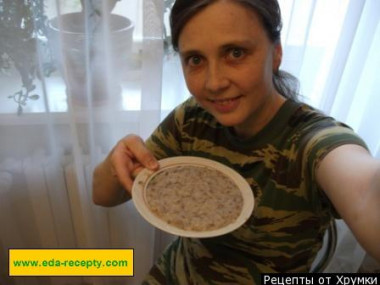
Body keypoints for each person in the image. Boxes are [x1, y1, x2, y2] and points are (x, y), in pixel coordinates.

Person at [93, 0, 380, 283]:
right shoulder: (193, 119)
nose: (214, 83)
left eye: (235, 52)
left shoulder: (311, 143)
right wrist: (117, 158)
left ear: (276, 53)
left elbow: (365, 194)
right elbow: (103, 196)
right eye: (195, 59)